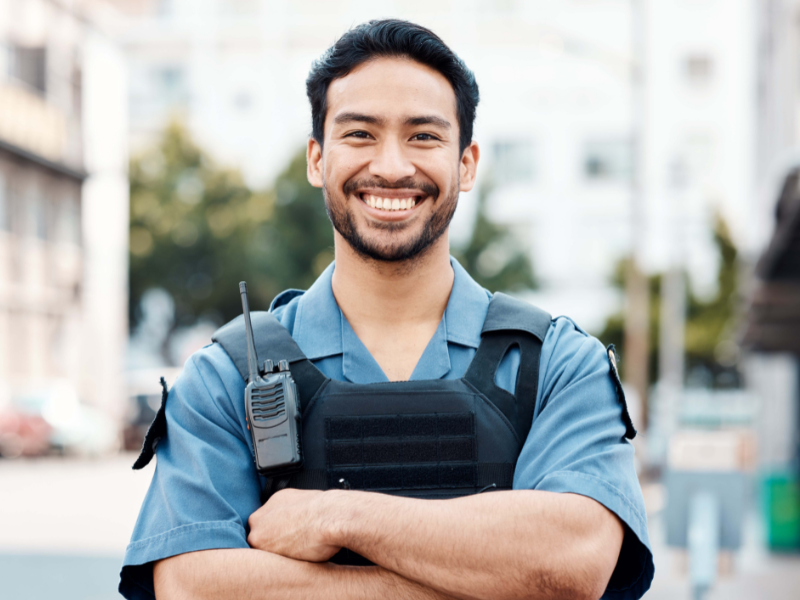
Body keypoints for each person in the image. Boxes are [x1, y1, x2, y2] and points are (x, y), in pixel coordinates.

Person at [120, 19, 653, 600]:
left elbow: (571, 565)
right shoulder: (228, 374)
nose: (393, 167)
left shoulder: (558, 366)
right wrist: (487, 576)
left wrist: (336, 518)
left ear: (467, 163)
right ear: (317, 159)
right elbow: (193, 587)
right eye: (360, 135)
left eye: (423, 136)